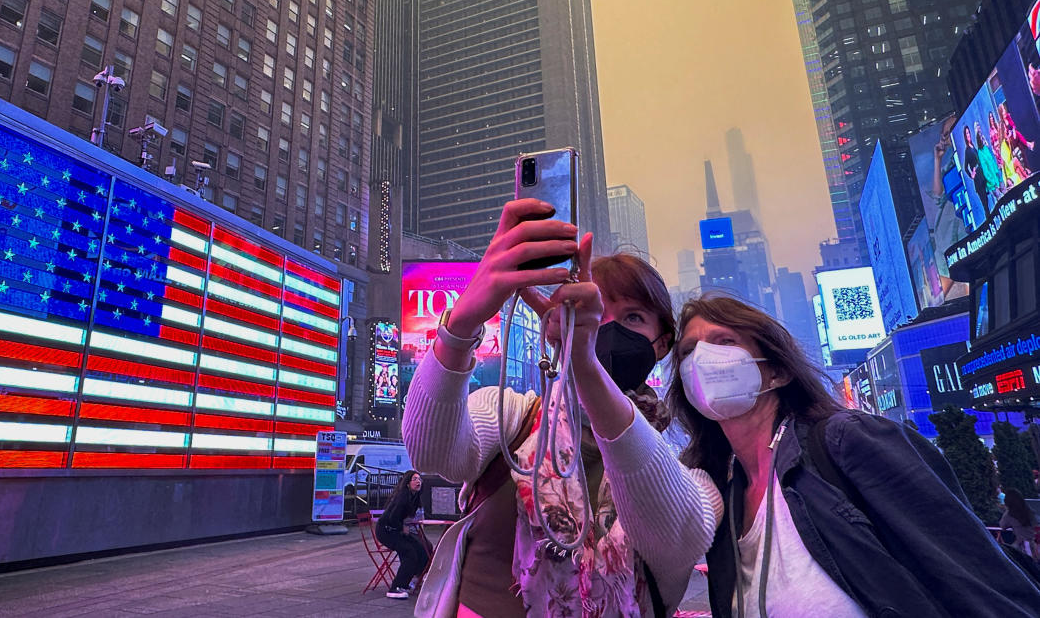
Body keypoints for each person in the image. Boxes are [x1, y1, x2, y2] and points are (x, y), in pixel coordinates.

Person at [403, 199, 717, 617]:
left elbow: (676, 538)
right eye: (594, 309)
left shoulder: (684, 463)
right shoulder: (511, 417)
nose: (603, 325)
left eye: (634, 317)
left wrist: (585, 366)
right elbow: (432, 450)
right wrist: (461, 323)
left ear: (661, 345)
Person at [664, 295, 1040, 617]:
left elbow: (971, 575)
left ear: (776, 371)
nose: (702, 359)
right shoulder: (721, 502)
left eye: (723, 341)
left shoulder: (846, 441)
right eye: (687, 351)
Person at [376, 470, 431, 599]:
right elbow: (392, 517)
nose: (418, 482)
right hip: (386, 531)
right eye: (415, 479)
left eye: (419, 479)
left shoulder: (415, 496)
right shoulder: (403, 496)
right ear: (407, 483)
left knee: (422, 548)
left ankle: (413, 580)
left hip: (396, 530)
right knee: (409, 552)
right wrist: (403, 526)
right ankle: (395, 587)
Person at [1001, 487, 1039, 561]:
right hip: (1034, 544)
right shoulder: (1029, 511)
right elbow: (1035, 523)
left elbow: (1002, 526)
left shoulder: (1009, 514)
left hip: (1021, 546)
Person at [962, 124, 989, 216]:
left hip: (983, 174)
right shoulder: (967, 150)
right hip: (978, 179)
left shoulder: (973, 146)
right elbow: (965, 167)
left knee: (988, 198)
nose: (968, 135)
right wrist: (971, 175)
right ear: (965, 136)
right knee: (985, 203)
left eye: (969, 132)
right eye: (967, 134)